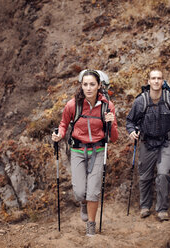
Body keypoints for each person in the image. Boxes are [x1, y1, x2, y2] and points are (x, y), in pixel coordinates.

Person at [52, 69, 118, 236]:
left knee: (94, 191)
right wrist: (59, 134)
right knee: (80, 192)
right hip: (78, 150)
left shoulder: (107, 106)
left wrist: (112, 123)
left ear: (99, 86)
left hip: (98, 150)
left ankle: (91, 225)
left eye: (92, 84)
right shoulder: (72, 105)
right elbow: (63, 124)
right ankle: (83, 202)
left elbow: (114, 138)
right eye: (85, 84)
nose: (88, 88)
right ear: (81, 86)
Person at [126, 69, 170, 221]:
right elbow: (130, 121)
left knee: (163, 174)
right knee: (145, 176)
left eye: (159, 78)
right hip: (146, 142)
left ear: (162, 81)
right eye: (153, 78)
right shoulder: (140, 101)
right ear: (148, 81)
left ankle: (162, 209)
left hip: (166, 142)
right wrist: (132, 131)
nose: (156, 81)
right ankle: (145, 206)